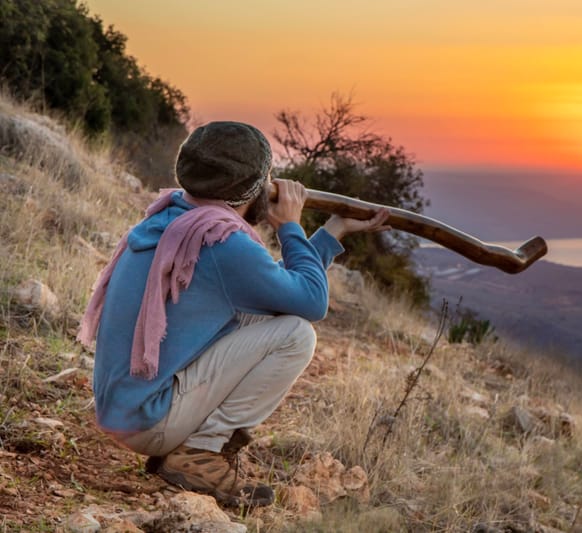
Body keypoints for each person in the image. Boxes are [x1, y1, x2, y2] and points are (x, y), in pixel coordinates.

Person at [78, 121, 389, 507]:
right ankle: (200, 454)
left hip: (125, 411)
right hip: (148, 422)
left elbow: (280, 290)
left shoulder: (173, 216)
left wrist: (334, 229)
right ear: (256, 186)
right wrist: (290, 225)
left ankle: (189, 446)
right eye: (268, 175)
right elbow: (311, 302)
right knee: (295, 334)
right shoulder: (221, 240)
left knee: (269, 319)